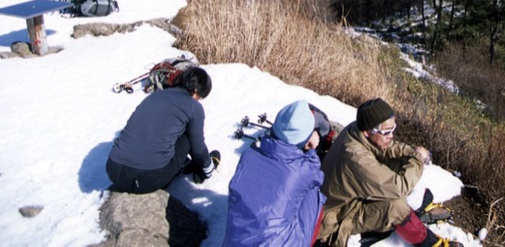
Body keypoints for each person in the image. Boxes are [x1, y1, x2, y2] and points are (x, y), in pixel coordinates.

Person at [317, 98, 460, 247]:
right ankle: (432, 244)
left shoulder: (357, 128)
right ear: (367, 132)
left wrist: (412, 153)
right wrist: (418, 159)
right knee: (396, 207)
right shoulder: (356, 158)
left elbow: (388, 147)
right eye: (386, 132)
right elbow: (398, 188)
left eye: (393, 129)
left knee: (402, 163)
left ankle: (413, 211)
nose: (391, 136)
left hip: (352, 197)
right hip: (340, 216)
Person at [224, 100, 326, 246]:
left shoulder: (249, 154)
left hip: (234, 242)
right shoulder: (302, 170)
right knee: (313, 193)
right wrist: (312, 148)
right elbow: (317, 175)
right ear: (305, 140)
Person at [106, 66, 220, 194]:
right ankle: (187, 167)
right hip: (145, 179)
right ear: (195, 91)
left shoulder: (156, 95)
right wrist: (208, 169)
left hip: (113, 170)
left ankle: (177, 163)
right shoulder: (193, 106)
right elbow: (198, 148)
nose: (199, 100)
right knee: (187, 138)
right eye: (201, 96)